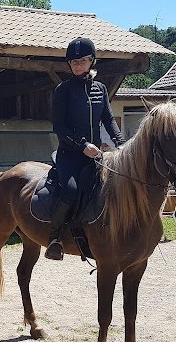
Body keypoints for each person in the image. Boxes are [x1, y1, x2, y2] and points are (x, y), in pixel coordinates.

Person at [45, 37, 126, 261]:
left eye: (82, 61)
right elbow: (59, 127)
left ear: (92, 61)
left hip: (96, 155)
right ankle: (55, 238)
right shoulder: (63, 90)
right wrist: (82, 145)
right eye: (73, 62)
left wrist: (121, 144)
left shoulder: (100, 89)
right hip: (70, 155)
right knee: (71, 190)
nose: (77, 65)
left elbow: (108, 120)